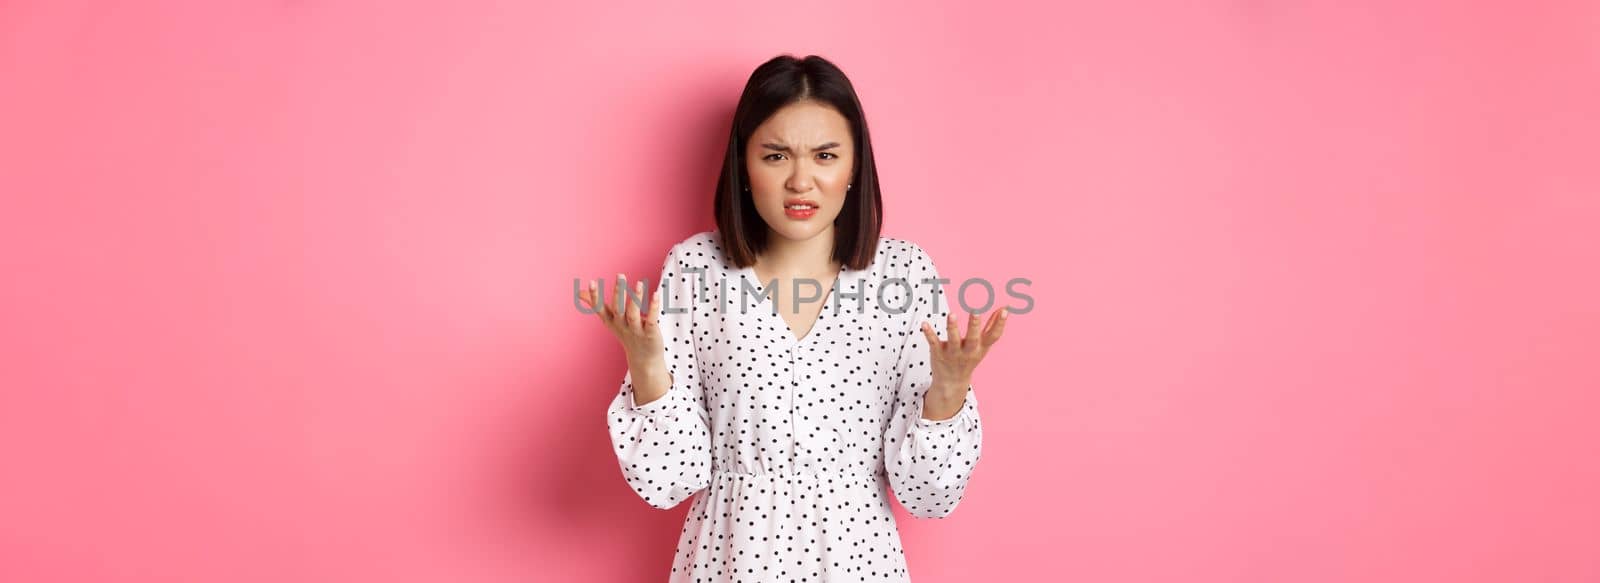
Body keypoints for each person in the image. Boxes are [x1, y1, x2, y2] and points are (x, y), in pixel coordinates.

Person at [578, 54, 1007, 582]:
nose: (801, 181)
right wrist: (648, 369)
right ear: (743, 164)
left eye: (825, 155)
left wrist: (948, 393)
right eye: (776, 155)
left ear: (854, 166)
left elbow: (929, 496)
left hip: (857, 564)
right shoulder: (696, 269)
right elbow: (669, 481)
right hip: (730, 561)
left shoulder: (903, 273)